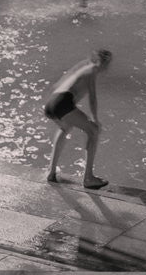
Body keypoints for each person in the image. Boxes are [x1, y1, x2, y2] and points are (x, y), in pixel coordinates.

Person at [44, 49, 112, 189]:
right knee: (93, 131)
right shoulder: (91, 70)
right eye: (107, 63)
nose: (107, 67)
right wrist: (95, 119)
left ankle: (51, 172)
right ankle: (88, 178)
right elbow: (92, 98)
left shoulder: (83, 69)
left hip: (52, 103)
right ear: (102, 63)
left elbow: (57, 86)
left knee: (65, 128)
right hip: (62, 102)